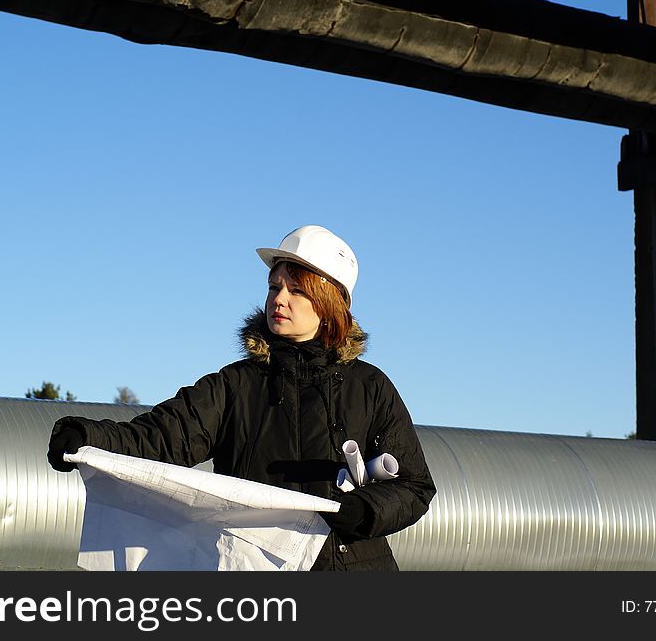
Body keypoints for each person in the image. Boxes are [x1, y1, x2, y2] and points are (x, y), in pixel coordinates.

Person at [47, 225, 436, 571]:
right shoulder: (236, 385)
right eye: (273, 287)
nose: (278, 299)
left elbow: (415, 486)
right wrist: (88, 438)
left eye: (296, 289)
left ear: (330, 304)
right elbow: (163, 438)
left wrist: (366, 510)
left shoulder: (369, 387)